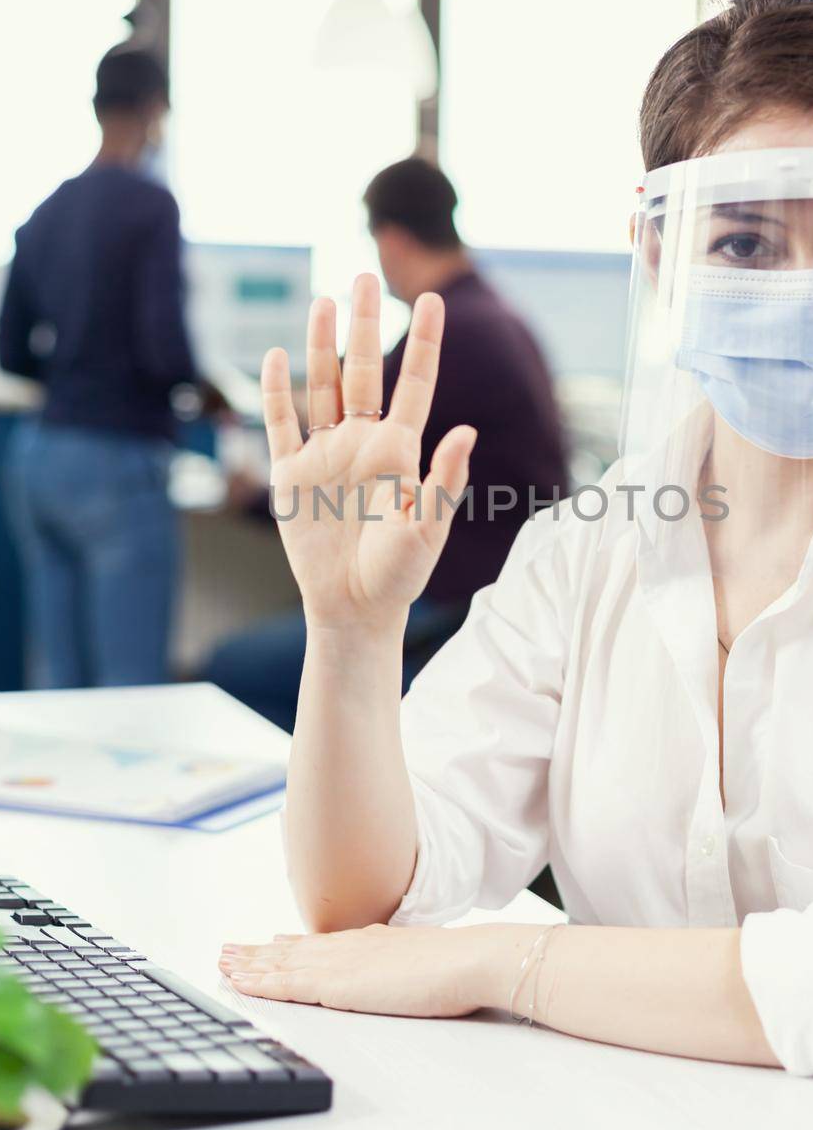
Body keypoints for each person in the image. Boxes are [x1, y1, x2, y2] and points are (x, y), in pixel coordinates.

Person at [220, 0, 813, 1130]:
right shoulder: (586, 549)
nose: (804, 292)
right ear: (660, 250)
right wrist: (350, 635)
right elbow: (363, 903)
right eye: (743, 241)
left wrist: (513, 965)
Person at [202, 156, 567, 724]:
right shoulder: (494, 319)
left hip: (450, 602)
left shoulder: (451, 333)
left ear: (391, 241)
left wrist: (252, 498)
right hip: (498, 584)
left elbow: (354, 462)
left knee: (229, 669)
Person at [0, 39, 197, 687]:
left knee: (56, 679)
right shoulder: (151, 206)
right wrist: (205, 393)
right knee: (130, 684)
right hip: (115, 460)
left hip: (39, 459)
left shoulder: (43, 213)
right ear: (153, 111)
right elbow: (163, 349)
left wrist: (72, 373)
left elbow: (8, 350)